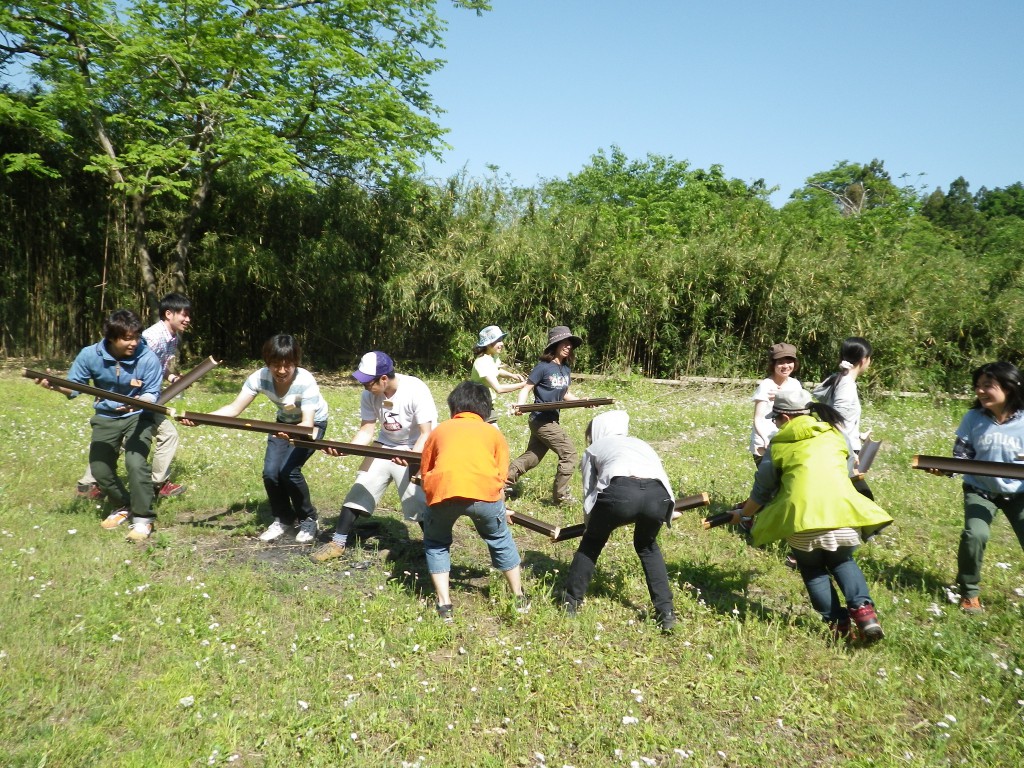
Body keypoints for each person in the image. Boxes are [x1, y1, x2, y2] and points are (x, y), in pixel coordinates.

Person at [735, 389, 892, 643]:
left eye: (775, 419)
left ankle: (837, 624)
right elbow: (848, 468)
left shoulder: (780, 444)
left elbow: (762, 491)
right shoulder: (833, 433)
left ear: (785, 417)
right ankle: (865, 613)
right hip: (843, 513)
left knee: (812, 569)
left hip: (802, 520)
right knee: (843, 562)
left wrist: (743, 515)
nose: (775, 424)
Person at [185, 334, 327, 543]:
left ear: (295, 362)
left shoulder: (305, 381)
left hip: (312, 425)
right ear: (267, 363)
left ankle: (308, 518)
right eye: (275, 365)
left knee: (289, 472)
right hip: (282, 423)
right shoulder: (259, 378)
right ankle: (283, 519)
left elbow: (307, 424)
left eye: (287, 365)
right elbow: (234, 408)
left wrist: (291, 432)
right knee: (271, 473)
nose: (280, 371)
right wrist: (201, 419)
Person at [37, 309, 164, 541]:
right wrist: (55, 385)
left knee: (135, 463)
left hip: (139, 415)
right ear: (111, 337)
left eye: (136, 336)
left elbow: (152, 393)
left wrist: (137, 404)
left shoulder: (147, 357)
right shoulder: (90, 355)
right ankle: (123, 505)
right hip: (106, 416)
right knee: (99, 468)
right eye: (127, 338)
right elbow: (74, 387)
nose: (134, 342)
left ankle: (144, 519)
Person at [311, 351, 438, 562]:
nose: (365, 387)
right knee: (361, 486)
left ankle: (435, 548)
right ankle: (338, 542)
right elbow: (367, 430)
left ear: (384, 379)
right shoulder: (369, 395)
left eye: (368, 382)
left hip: (414, 447)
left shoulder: (416, 389)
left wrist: (412, 457)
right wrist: (346, 449)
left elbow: (427, 433)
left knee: (416, 499)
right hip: (384, 445)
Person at [419, 381, 529, 622]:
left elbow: (425, 470)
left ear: (453, 408)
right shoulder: (493, 433)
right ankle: (519, 597)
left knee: (436, 543)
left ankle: (444, 604)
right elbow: (501, 475)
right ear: (486, 409)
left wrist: (431, 498)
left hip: (443, 491)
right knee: (500, 539)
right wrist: (501, 506)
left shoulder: (439, 430)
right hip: (483, 493)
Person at [562, 410, 678, 631]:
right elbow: (661, 476)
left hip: (620, 492)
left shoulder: (593, 449)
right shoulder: (642, 444)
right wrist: (667, 511)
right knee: (647, 546)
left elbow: (589, 493)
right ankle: (666, 613)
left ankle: (571, 603)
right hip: (658, 495)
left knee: (592, 543)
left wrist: (591, 525)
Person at [76, 292, 192, 499]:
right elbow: (132, 365)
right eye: (184, 314)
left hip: (143, 398)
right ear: (168, 313)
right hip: (134, 399)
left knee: (124, 438)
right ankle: (156, 484)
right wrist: (132, 396)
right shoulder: (152, 338)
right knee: (164, 434)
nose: (188, 319)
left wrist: (172, 377)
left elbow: (156, 367)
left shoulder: (171, 337)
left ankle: (88, 484)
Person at [948, 362, 1024, 614]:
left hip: (1019, 493)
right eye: (977, 386)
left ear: (1009, 388)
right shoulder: (973, 418)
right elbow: (962, 455)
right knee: (975, 534)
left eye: (987, 386)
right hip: (980, 490)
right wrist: (947, 467)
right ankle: (969, 592)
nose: (980, 391)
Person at [506, 326, 583, 505]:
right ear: (555, 345)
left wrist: (582, 401)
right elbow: (527, 388)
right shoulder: (543, 367)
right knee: (569, 453)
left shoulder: (565, 369)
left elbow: (565, 394)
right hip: (541, 419)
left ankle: (502, 482)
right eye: (564, 343)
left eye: (570, 344)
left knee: (533, 457)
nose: (568, 347)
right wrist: (521, 406)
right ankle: (561, 497)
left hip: (551, 419)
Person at [813, 337, 874, 499]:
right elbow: (836, 419)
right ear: (863, 360)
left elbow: (826, 403)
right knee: (860, 499)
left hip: (843, 446)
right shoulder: (846, 384)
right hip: (843, 450)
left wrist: (858, 434)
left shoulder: (840, 378)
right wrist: (850, 452)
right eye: (870, 358)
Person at [749, 342, 802, 465]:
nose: (786, 366)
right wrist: (765, 440)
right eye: (780, 362)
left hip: (788, 441)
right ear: (773, 364)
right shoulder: (766, 385)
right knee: (769, 482)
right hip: (766, 442)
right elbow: (757, 419)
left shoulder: (795, 384)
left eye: (789, 362)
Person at [470, 325, 527, 422]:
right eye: (498, 341)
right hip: (477, 405)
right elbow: (499, 389)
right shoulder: (482, 362)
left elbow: (497, 370)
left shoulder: (492, 357)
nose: (502, 344)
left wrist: (512, 375)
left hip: (486, 404)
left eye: (501, 340)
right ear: (488, 344)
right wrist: (523, 385)